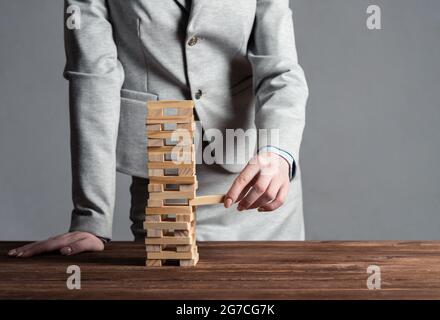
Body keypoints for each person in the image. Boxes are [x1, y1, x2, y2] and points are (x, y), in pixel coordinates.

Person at [8, 0, 309, 258]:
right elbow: (93, 78)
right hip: (164, 191)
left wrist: (278, 153)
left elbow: (281, 70)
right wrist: (92, 219)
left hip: (259, 185)